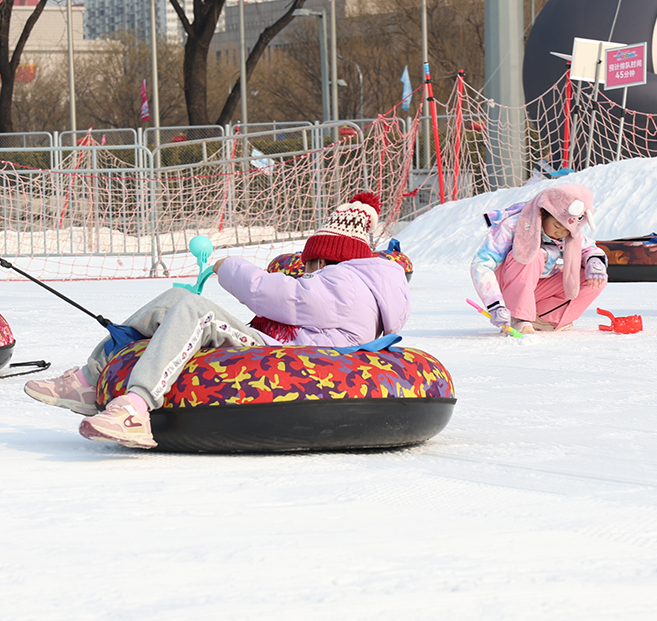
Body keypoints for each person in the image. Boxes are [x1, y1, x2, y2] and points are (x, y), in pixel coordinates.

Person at [24, 192, 411, 450]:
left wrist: (230, 267)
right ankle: (92, 379)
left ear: (327, 258)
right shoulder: (354, 281)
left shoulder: (345, 284)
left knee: (196, 311)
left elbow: (280, 296)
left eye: (310, 263)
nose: (305, 269)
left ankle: (136, 406)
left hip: (290, 356)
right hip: (281, 345)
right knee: (179, 298)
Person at [470, 183, 607, 335]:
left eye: (566, 230)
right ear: (545, 214)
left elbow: (588, 247)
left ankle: (543, 318)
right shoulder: (515, 225)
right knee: (532, 254)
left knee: (595, 279)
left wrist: (593, 261)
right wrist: (495, 304)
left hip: (537, 287)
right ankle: (519, 316)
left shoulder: (568, 234)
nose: (561, 232)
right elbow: (481, 264)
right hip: (510, 286)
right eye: (557, 225)